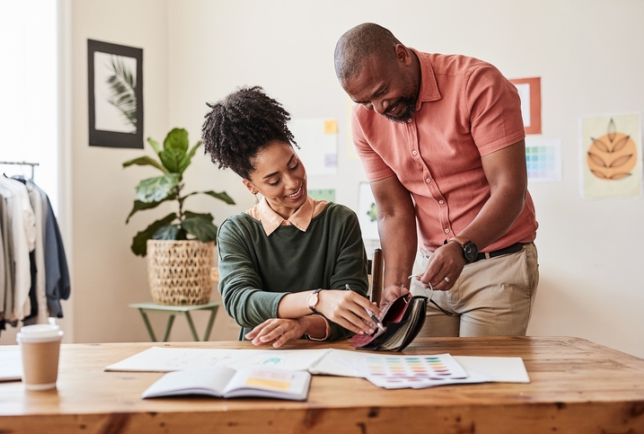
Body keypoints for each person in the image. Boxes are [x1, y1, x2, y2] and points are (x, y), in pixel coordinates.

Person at [334, 23, 539, 337]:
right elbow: (393, 210)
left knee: (483, 383)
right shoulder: (364, 120)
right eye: (365, 102)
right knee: (424, 377)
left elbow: (509, 189)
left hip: (497, 266)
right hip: (429, 271)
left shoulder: (477, 84)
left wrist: (461, 247)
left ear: (401, 55)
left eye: (381, 93)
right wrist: (396, 283)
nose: (379, 108)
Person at [201, 86, 381, 348]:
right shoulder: (238, 231)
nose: (293, 182)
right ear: (251, 186)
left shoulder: (340, 221)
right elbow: (240, 302)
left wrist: (303, 325)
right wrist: (316, 300)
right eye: (274, 181)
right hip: (260, 359)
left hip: (330, 358)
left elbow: (351, 315)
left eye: (294, 165)